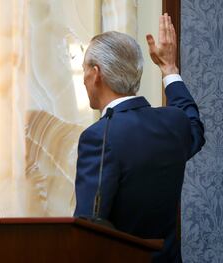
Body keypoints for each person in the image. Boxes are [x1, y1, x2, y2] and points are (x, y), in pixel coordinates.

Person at [74, 14, 205, 262]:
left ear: (96, 73)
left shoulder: (98, 136)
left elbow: (88, 228)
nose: (83, 78)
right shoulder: (174, 123)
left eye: (83, 70)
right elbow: (194, 125)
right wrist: (169, 69)